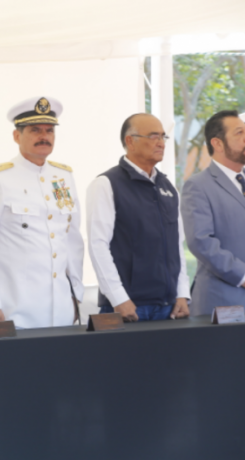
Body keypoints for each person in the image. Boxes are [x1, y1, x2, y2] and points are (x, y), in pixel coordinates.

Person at [0, 96, 83, 328]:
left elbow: (72, 242)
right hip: (15, 310)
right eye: (35, 130)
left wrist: (76, 296)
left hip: (61, 309)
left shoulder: (64, 177)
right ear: (16, 136)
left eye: (49, 130)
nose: (44, 136)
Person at [86, 113, 190, 322]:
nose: (161, 143)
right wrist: (118, 297)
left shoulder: (168, 187)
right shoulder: (107, 184)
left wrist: (182, 293)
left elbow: (176, 245)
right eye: (153, 136)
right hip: (127, 306)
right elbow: (98, 245)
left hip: (168, 307)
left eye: (163, 137)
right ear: (130, 141)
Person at [181, 110, 245, 316]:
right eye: (240, 133)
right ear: (217, 144)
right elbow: (201, 242)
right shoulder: (198, 186)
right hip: (223, 301)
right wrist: (243, 276)